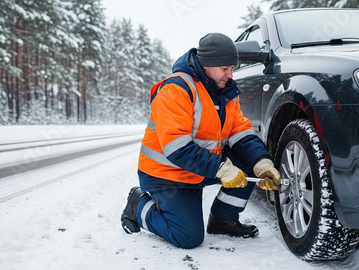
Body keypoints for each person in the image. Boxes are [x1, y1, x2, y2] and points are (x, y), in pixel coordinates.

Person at [120, 33, 281, 249]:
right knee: (188, 238)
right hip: (167, 175)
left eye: (232, 68)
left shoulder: (226, 92)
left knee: (247, 160)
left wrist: (262, 161)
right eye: (225, 69)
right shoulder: (176, 90)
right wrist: (221, 168)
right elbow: (178, 148)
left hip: (198, 170)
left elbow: (240, 131)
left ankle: (223, 220)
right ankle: (137, 206)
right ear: (207, 65)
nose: (230, 74)